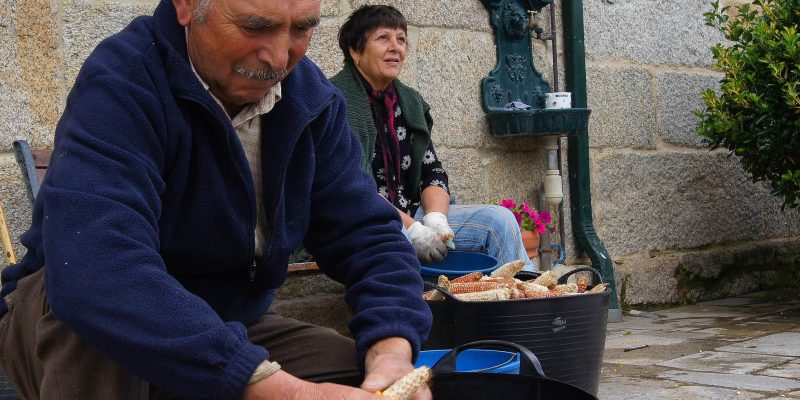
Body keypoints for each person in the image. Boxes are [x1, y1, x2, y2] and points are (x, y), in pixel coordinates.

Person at [0, 0, 433, 399]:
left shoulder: (312, 101)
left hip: (221, 321)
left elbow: (368, 236)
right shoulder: (124, 79)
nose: (280, 57)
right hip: (67, 318)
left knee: (367, 386)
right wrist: (281, 390)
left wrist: (391, 348)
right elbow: (96, 265)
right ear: (188, 6)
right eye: (254, 26)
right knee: (101, 325)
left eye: (302, 29)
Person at [330, 5, 535, 271]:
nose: (395, 47)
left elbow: (432, 172)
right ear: (355, 51)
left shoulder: (410, 102)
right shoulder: (335, 103)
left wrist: (436, 220)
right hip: (359, 221)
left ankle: (527, 302)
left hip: (410, 214)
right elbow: (355, 189)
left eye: (401, 39)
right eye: (383, 38)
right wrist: (413, 229)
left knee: (500, 220)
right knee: (397, 240)